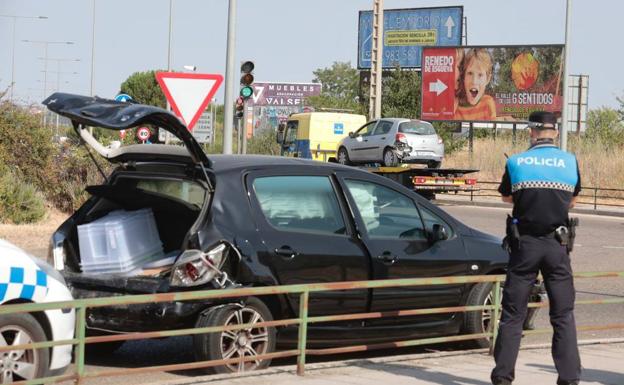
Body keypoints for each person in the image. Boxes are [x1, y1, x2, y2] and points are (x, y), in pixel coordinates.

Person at [491, 111, 581, 385]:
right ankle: (568, 379)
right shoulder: (570, 161)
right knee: (563, 314)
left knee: (513, 314)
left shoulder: (517, 162)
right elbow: (572, 202)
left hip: (525, 246)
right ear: (554, 131)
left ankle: (503, 378)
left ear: (531, 132)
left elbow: (507, 197)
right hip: (557, 246)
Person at [454, 48, 497, 121]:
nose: (474, 81)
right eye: (470, 73)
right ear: (463, 76)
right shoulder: (455, 105)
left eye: (480, 75)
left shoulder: (488, 103)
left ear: (487, 79)